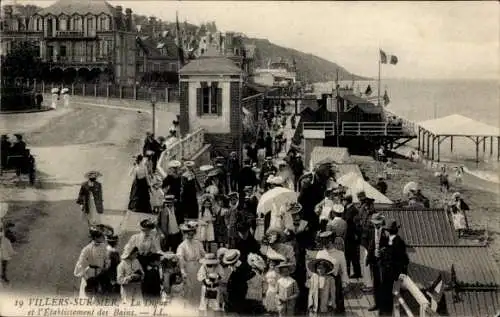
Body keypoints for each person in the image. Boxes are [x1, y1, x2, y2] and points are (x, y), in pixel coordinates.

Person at [378, 220, 409, 316]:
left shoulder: (391, 241)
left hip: (389, 272)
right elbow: (404, 259)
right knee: (390, 292)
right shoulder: (396, 241)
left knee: (387, 292)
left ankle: (385, 311)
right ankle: (387, 310)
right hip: (392, 272)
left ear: (388, 231)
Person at [74, 227, 109, 299]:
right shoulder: (87, 248)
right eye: (101, 236)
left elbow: (107, 260)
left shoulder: (104, 247)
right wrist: (87, 278)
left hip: (100, 274)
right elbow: (80, 264)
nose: (103, 238)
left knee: (100, 298)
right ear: (95, 237)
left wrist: (105, 269)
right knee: (88, 298)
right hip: (90, 275)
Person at [176, 221, 206, 304]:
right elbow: (181, 259)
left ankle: (199, 306)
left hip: (199, 267)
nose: (190, 236)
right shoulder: (182, 246)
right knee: (190, 288)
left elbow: (204, 254)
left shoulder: (198, 243)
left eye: (192, 234)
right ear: (184, 234)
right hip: (189, 268)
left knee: (199, 288)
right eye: (188, 234)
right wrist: (183, 271)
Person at [366, 212, 386, 312]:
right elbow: (369, 245)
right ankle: (376, 303)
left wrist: (382, 251)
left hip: (383, 261)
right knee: (375, 283)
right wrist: (368, 258)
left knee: (383, 283)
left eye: (378, 223)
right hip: (374, 261)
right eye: (375, 223)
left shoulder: (386, 232)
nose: (376, 225)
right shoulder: (371, 231)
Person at [224, 249, 253, 314]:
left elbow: (249, 275)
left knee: (239, 305)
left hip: (240, 289)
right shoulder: (234, 267)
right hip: (234, 290)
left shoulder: (243, 267)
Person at [342, 195, 361, 279]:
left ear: (347, 201)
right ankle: (352, 272)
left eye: (344, 200)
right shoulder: (349, 209)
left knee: (351, 255)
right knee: (351, 255)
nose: (343, 202)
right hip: (350, 235)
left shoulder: (352, 210)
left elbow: (348, 220)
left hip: (351, 235)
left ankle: (355, 272)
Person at [264, 248, 286, 313]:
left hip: (274, 290)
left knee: (275, 307)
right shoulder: (267, 272)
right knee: (269, 307)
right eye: (271, 264)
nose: (272, 266)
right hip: (269, 290)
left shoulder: (277, 273)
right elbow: (265, 280)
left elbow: (278, 282)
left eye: (273, 265)